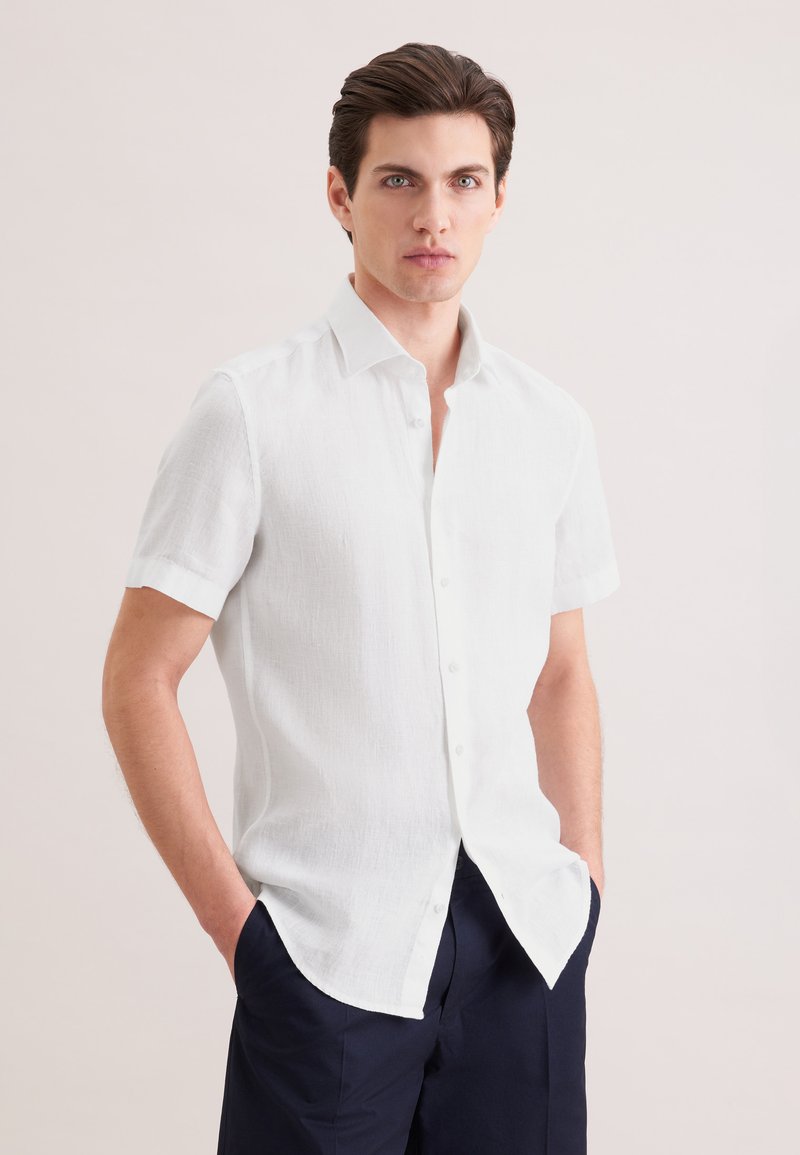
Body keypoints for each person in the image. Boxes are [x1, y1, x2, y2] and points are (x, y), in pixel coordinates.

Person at [102, 40, 620, 1155]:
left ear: (497, 200)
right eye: (398, 180)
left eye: (463, 181)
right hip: (324, 954)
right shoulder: (250, 412)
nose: (433, 214)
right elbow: (139, 677)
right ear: (340, 196)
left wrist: (581, 874)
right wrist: (242, 935)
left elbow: (562, 669)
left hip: (524, 947)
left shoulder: (548, 426)